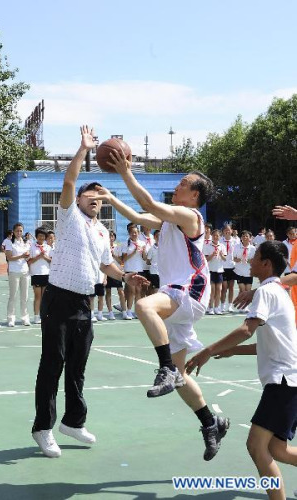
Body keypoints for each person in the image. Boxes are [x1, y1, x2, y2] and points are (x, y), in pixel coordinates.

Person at [90, 154, 230, 461]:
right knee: (182, 377)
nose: (177, 186)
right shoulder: (171, 219)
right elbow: (142, 216)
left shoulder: (190, 217)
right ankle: (211, 422)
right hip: (177, 294)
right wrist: (112, 196)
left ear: (195, 195)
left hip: (190, 290)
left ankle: (164, 367)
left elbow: (152, 206)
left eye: (183, 184)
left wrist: (126, 172)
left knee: (143, 306)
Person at [31, 125, 148, 459]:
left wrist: (127, 277)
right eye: (91, 194)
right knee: (52, 365)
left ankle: (73, 421)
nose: (97, 198)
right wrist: (83, 149)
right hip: (58, 298)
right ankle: (43, 428)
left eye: (100, 195)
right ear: (79, 199)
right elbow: (68, 181)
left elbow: (107, 266)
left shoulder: (101, 231)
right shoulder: (68, 217)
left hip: (85, 302)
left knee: (78, 367)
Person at [186, 241, 297, 500]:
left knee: (256, 446)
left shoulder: (267, 292)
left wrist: (208, 351)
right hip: (288, 381)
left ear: (267, 263)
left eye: (255, 257)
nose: (250, 261)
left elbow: (247, 329)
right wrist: (234, 350)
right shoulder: (278, 291)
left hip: (283, 383)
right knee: (277, 451)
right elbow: (269, 344)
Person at [5, 223, 31, 327]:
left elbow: (28, 257)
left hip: (25, 271)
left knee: (25, 297)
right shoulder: (9, 242)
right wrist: (22, 256)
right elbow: (9, 258)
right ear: (13, 232)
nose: (19, 233)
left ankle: (25, 318)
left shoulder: (26, 242)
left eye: (21, 231)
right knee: (13, 296)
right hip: (14, 272)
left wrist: (27, 257)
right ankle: (11, 318)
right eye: (17, 231)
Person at [121, 223, 146, 318]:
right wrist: (134, 252)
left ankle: (137, 311)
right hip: (129, 270)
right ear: (129, 234)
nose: (134, 234)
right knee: (131, 291)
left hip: (139, 269)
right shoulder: (125, 244)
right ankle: (128, 311)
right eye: (132, 233)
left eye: (135, 232)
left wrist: (143, 252)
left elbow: (144, 258)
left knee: (138, 291)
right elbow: (123, 259)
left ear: (138, 233)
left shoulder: (142, 243)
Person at [27, 227, 51, 324]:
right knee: (38, 296)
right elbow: (29, 261)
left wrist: (44, 256)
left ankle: (44, 315)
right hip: (36, 274)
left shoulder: (48, 247)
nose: (41, 237)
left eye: (43, 236)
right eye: (39, 236)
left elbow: (51, 261)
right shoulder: (32, 247)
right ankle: (36, 316)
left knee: (45, 297)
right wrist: (38, 256)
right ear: (36, 237)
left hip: (46, 274)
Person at [105, 231, 129, 320]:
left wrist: (113, 255)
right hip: (107, 271)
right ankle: (110, 313)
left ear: (114, 238)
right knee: (108, 292)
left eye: (112, 236)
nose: (111, 238)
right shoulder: (104, 246)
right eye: (109, 236)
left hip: (116, 271)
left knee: (121, 292)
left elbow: (121, 261)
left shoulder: (117, 247)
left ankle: (124, 312)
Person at [204, 229, 227, 315]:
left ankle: (217, 308)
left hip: (219, 271)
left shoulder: (222, 246)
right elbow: (206, 259)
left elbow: (225, 259)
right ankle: (210, 308)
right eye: (214, 235)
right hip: (210, 270)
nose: (216, 237)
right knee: (212, 290)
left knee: (219, 290)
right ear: (212, 236)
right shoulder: (207, 246)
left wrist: (221, 255)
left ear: (220, 237)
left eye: (217, 236)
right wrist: (212, 255)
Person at [233, 230, 256, 309]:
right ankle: (241, 306)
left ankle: (245, 306)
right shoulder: (236, 246)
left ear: (250, 238)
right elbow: (234, 258)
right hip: (239, 271)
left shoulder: (253, 248)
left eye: (247, 236)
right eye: (243, 236)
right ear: (241, 238)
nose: (245, 238)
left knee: (248, 290)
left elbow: (255, 260)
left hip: (249, 272)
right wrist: (238, 260)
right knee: (242, 290)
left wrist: (250, 261)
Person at [220, 224, 236, 313]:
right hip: (222, 266)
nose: (227, 231)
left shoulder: (236, 241)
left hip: (232, 266)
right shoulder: (219, 241)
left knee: (231, 287)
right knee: (224, 287)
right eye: (225, 230)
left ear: (231, 231)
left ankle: (230, 305)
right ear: (223, 232)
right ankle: (222, 305)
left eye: (229, 230)